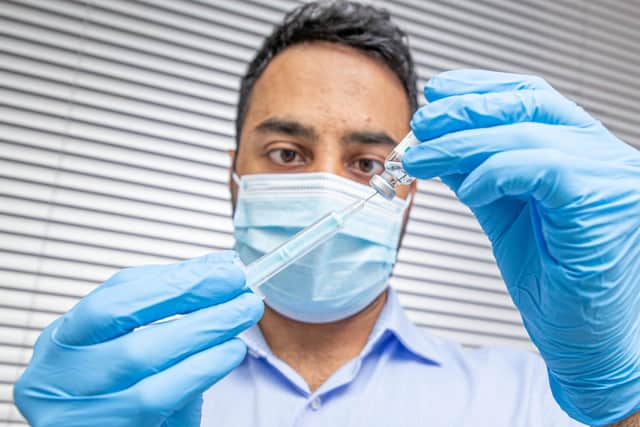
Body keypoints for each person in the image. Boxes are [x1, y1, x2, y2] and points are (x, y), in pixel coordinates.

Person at [13, 2, 640, 427]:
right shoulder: (132, 389)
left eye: (368, 164)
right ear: (235, 177)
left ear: (409, 192)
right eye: (288, 152)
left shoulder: (528, 400)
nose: (324, 184)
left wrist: (621, 403)